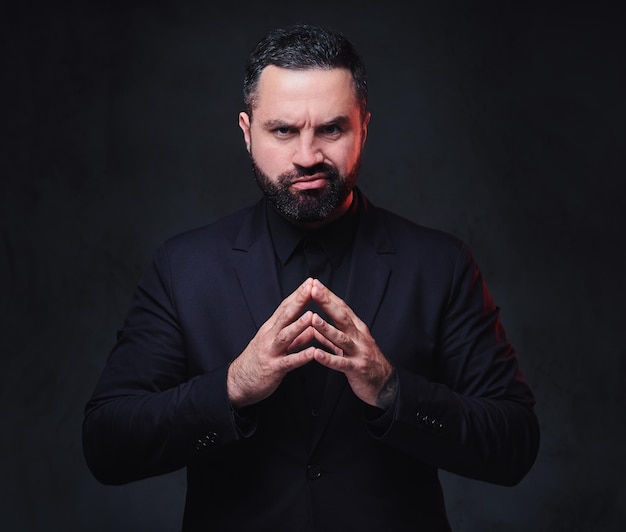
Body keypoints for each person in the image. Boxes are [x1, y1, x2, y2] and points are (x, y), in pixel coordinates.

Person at [82, 23, 540, 532]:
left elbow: (514, 445)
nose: (307, 156)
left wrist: (390, 390)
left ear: (364, 125)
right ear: (246, 130)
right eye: (282, 130)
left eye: (331, 129)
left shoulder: (440, 264)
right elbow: (107, 446)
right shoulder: (183, 267)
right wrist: (232, 387)